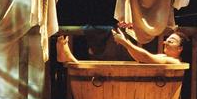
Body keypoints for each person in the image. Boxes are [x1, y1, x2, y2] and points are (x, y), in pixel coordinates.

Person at [57, 28, 185, 65]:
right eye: (166, 40)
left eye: (171, 41)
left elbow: (146, 58)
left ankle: (69, 59)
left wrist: (124, 42)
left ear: (180, 48)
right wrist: (125, 41)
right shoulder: (163, 56)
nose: (165, 42)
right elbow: (140, 58)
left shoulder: (174, 61)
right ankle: (69, 59)